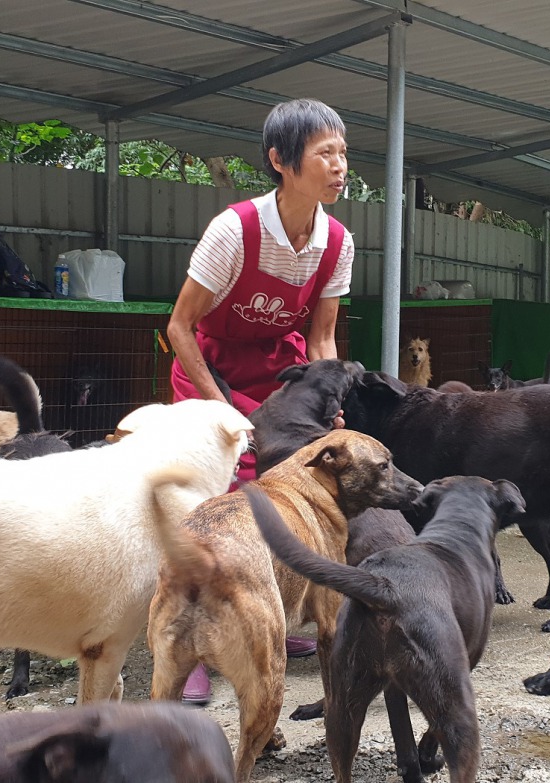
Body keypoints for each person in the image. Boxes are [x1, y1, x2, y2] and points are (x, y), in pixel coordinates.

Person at [166, 98, 355, 705]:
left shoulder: (337, 241)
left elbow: (322, 335)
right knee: (211, 505)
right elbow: (180, 328)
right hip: (211, 369)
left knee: (291, 493)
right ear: (280, 160)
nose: (339, 165)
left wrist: (329, 403)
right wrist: (223, 409)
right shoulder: (235, 229)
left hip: (282, 376)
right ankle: (189, 644)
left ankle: (268, 615)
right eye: (324, 153)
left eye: (342, 152)